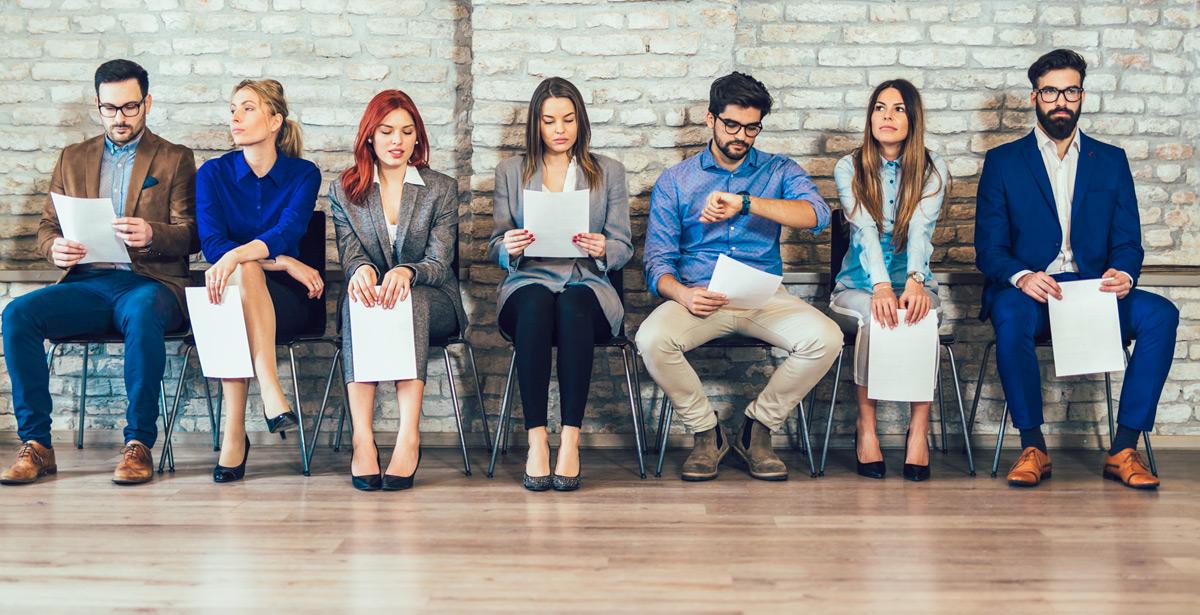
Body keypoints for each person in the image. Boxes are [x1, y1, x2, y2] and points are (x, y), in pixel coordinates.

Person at [975, 49, 1178, 490]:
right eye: (1050, 91)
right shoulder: (1004, 162)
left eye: (1070, 90)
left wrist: (1123, 272)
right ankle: (1033, 446)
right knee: (1009, 316)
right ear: (1035, 98)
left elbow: (1128, 241)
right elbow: (988, 249)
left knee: (1162, 315)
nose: (1060, 100)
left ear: (1082, 95)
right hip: (1035, 292)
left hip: (1094, 294)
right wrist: (1022, 276)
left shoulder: (1111, 160)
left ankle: (1124, 448)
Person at [636, 72, 842, 482]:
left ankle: (757, 429)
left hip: (763, 296)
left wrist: (747, 203)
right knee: (651, 339)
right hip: (699, 297)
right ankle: (706, 433)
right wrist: (682, 294)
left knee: (826, 338)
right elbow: (657, 261)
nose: (742, 136)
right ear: (710, 119)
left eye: (752, 127)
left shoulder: (779, 170)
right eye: (732, 124)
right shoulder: (676, 181)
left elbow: (817, 215)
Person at [1, 59, 197, 486]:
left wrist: (151, 233)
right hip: (88, 282)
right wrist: (55, 248)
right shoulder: (73, 158)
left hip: (151, 283)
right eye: (110, 108)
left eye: (130, 107)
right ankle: (37, 444)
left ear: (147, 102)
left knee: (143, 312)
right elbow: (46, 228)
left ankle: (139, 443)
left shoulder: (175, 158)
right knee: (17, 314)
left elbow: (192, 235)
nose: (120, 118)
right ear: (97, 104)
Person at [486, 77, 632, 492]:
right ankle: (537, 440)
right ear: (536, 125)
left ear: (580, 121)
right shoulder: (511, 172)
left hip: (588, 285)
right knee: (535, 304)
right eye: (549, 121)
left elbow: (624, 245)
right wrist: (507, 246)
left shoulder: (609, 172)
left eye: (568, 119)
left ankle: (570, 439)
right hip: (528, 280)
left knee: (572, 305)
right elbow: (496, 242)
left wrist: (605, 247)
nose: (559, 129)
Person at [330, 90, 468, 492]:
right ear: (369, 136)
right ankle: (363, 438)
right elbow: (351, 253)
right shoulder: (345, 190)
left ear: (417, 138)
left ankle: (409, 436)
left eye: (407, 132)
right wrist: (359, 272)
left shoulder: (440, 188)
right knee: (358, 302)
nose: (397, 140)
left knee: (410, 300)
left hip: (432, 297)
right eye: (387, 130)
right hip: (373, 300)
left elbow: (440, 262)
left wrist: (407, 271)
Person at [195, 79, 323, 483]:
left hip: (288, 302)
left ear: (274, 121)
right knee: (243, 272)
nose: (235, 116)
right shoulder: (212, 174)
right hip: (230, 287)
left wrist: (241, 255)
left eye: (247, 108)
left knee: (243, 270)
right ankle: (269, 386)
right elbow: (213, 244)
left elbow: (288, 231)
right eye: (233, 107)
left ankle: (235, 433)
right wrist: (282, 261)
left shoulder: (304, 174)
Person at [828, 79, 948, 482]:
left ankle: (919, 429)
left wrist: (914, 281)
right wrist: (881, 286)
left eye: (898, 109)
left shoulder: (933, 168)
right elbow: (862, 229)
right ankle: (867, 427)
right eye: (880, 108)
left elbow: (921, 231)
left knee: (920, 316)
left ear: (912, 118)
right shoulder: (849, 166)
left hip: (914, 281)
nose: (888, 117)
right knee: (875, 320)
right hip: (858, 285)